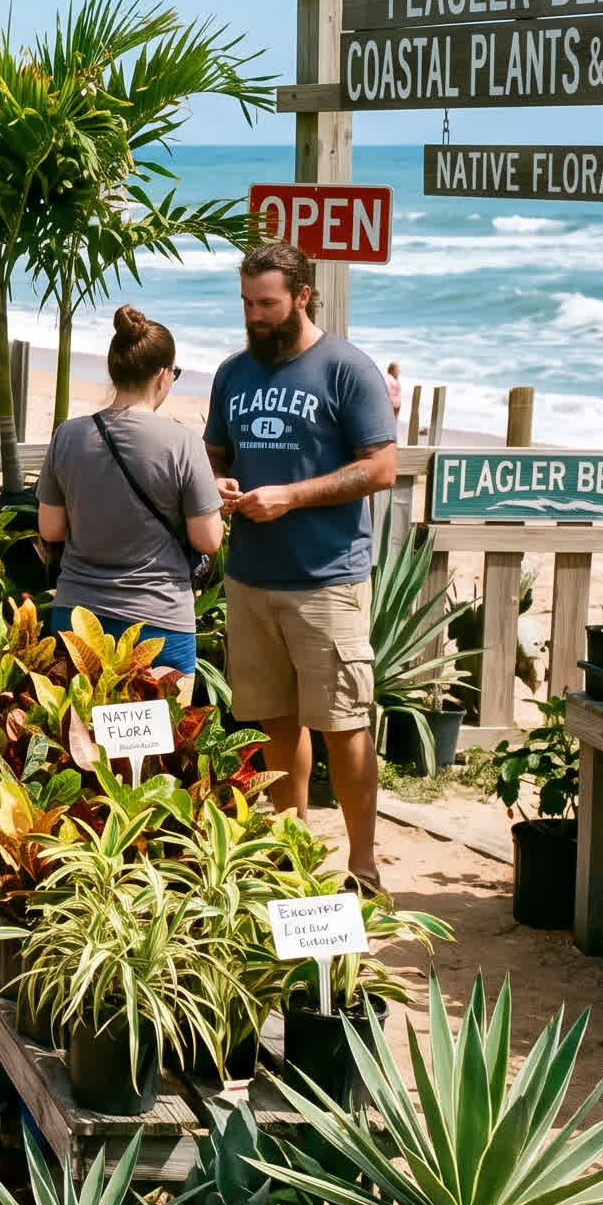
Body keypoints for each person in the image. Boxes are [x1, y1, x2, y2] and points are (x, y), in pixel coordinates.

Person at [204, 243, 398, 888]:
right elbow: (216, 455)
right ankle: (294, 854)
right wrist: (225, 485)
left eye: (267, 304)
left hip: (327, 579)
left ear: (302, 297)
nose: (255, 316)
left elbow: (381, 468)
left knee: (343, 723)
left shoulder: (347, 369)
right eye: (246, 304)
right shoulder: (233, 373)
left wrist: (293, 495)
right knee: (275, 723)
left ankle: (363, 864)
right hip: (250, 577)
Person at [39, 305, 223, 677]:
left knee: (78, 733)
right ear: (162, 376)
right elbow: (207, 540)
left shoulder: (68, 436)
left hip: (77, 616)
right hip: (158, 622)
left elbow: (51, 529)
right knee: (158, 734)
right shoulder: (183, 444)